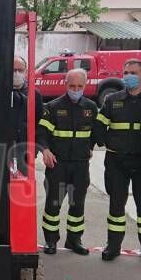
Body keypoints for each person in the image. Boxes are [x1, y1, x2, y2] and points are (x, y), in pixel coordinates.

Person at [94, 59, 141, 265]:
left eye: (133, 72)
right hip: (117, 161)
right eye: (125, 72)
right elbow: (99, 125)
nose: (128, 76)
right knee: (116, 206)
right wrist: (103, 142)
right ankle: (113, 246)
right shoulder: (113, 100)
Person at [37, 68, 98, 256]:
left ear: (85, 85)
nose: (76, 89)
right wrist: (45, 150)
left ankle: (74, 240)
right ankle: (51, 240)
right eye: (72, 86)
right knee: (54, 203)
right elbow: (41, 133)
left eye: (80, 86)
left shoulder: (91, 107)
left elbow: (95, 132)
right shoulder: (53, 107)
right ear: (65, 84)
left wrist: (91, 147)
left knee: (77, 203)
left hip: (80, 165)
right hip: (58, 164)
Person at [11, 56, 44, 174]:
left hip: (25, 147)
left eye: (20, 70)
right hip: (4, 146)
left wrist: (34, 149)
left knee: (24, 180)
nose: (17, 73)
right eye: (14, 70)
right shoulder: (0, 91)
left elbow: (39, 121)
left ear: (25, 71)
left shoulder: (34, 93)